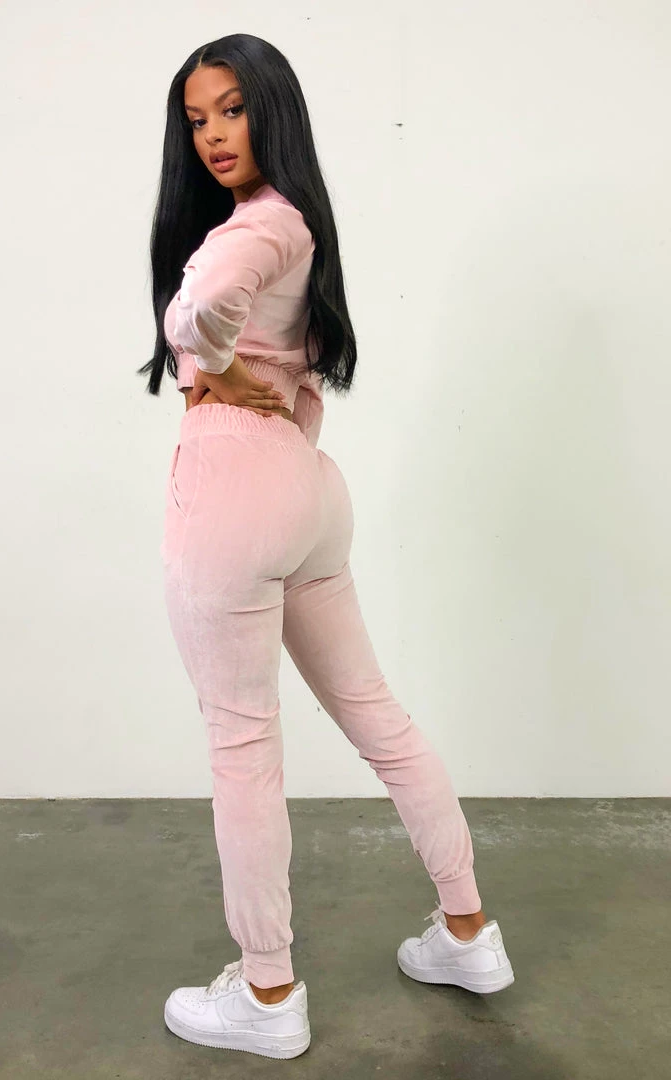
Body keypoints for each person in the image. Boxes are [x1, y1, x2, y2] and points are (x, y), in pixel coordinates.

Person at [137, 33, 514, 1061]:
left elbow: (195, 312)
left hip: (232, 489)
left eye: (232, 109)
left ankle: (266, 991)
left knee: (242, 747)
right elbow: (274, 363)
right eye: (196, 118)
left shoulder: (257, 227)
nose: (213, 135)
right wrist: (247, 376)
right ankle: (467, 931)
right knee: (377, 716)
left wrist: (211, 361)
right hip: (306, 490)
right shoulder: (302, 222)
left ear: (272, 108)